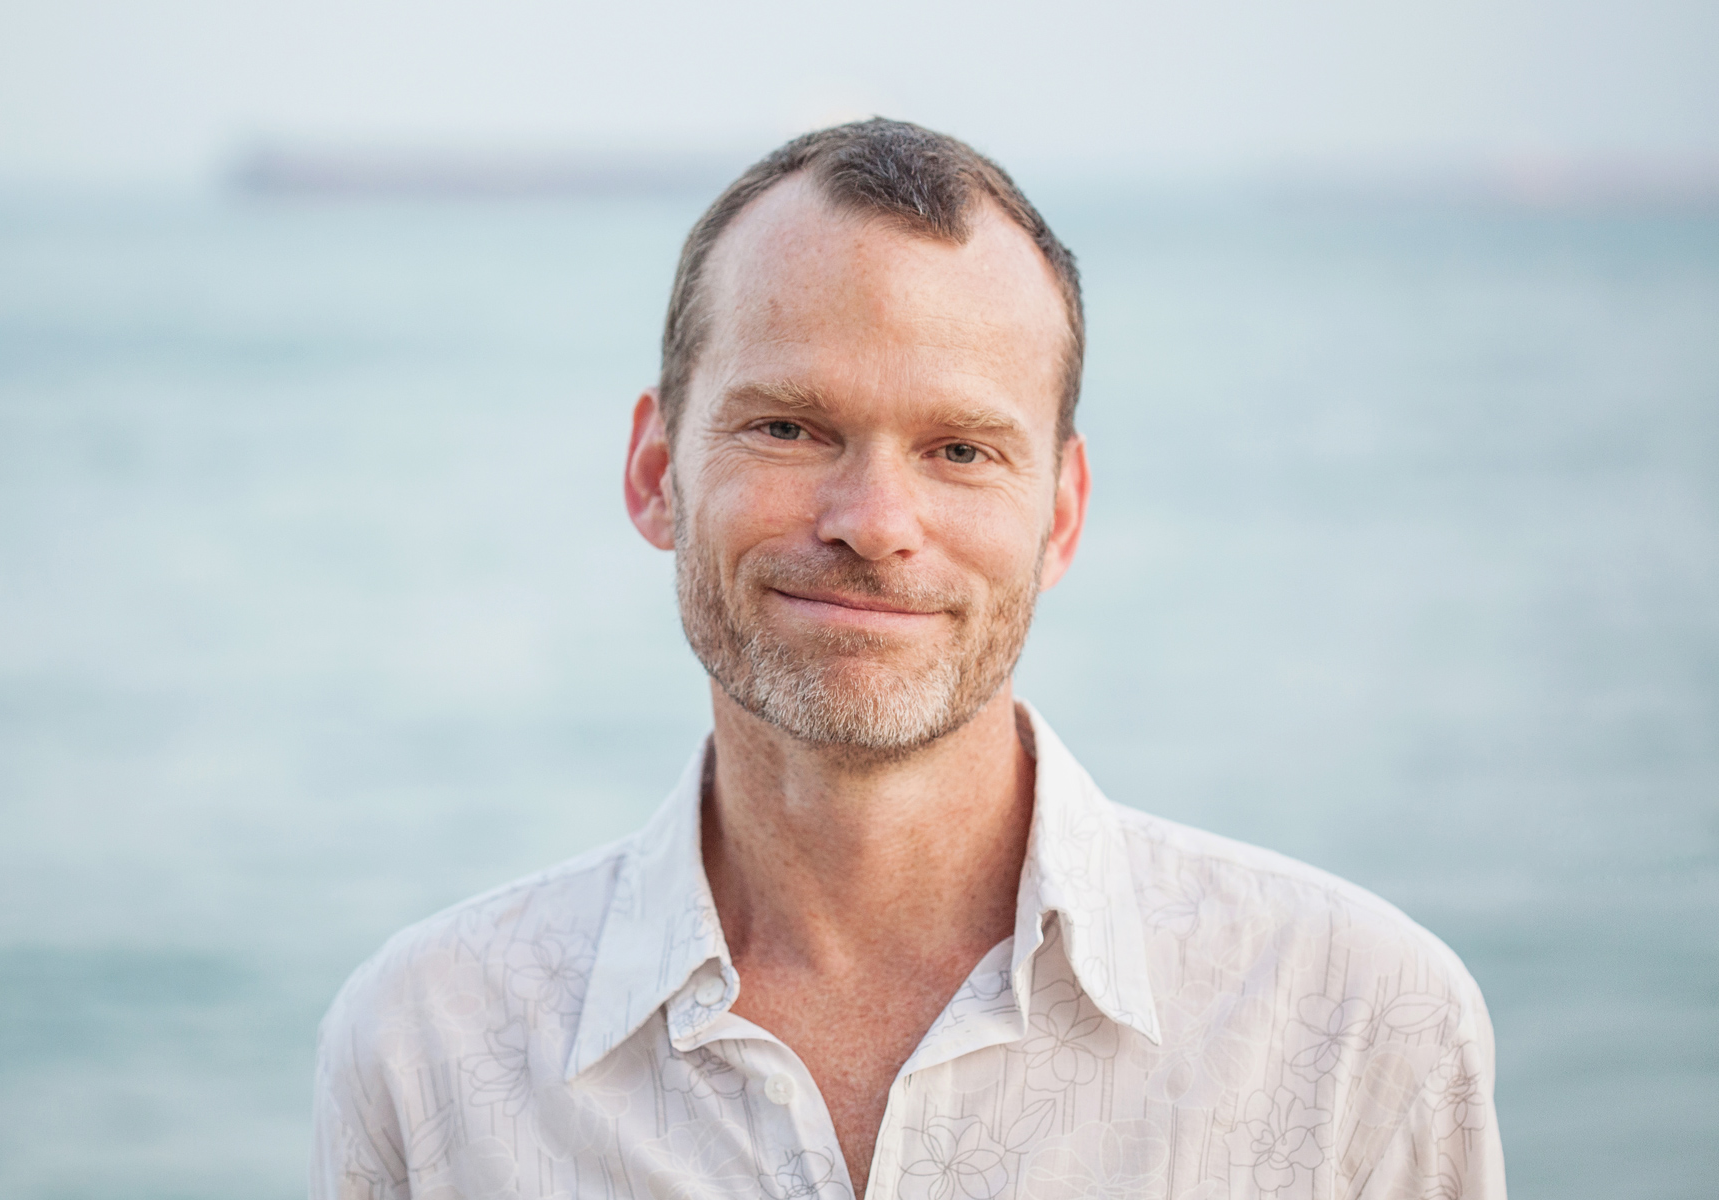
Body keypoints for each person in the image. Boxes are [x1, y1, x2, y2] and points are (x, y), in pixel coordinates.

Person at [311, 119, 1504, 1200]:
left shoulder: (1357, 1027)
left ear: (1063, 516)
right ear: (653, 472)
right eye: (788, 427)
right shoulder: (427, 1052)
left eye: (962, 450)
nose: (873, 519)